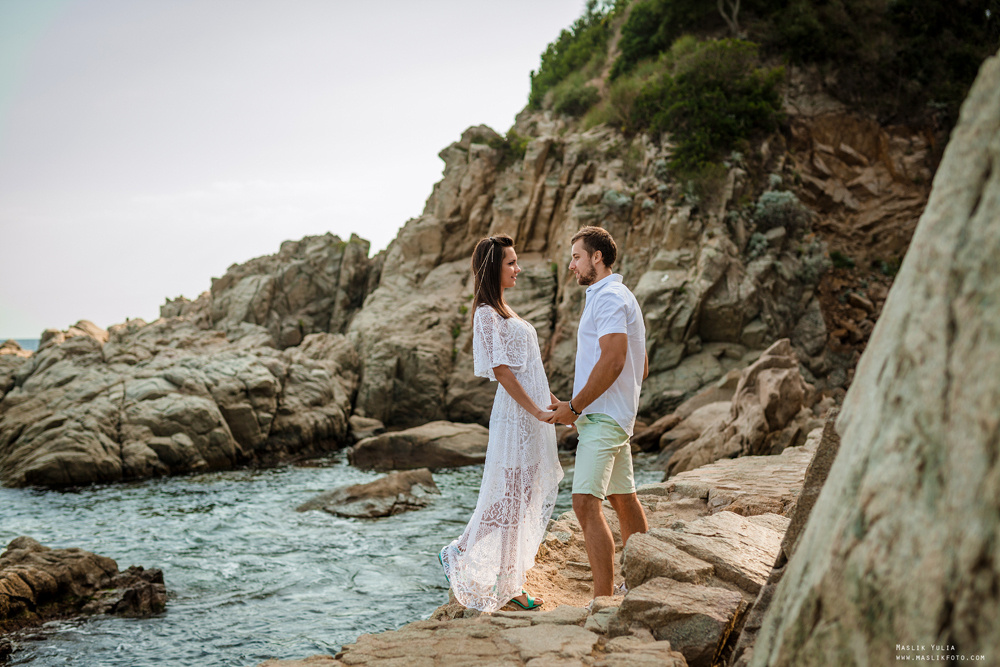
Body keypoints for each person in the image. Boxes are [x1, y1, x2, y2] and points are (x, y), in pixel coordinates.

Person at [439, 234, 564, 612]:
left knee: (522, 499)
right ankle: (465, 553)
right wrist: (536, 411)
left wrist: (554, 404)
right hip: (515, 417)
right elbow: (502, 371)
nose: (518, 268)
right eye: (511, 263)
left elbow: (531, 371)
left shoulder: (504, 309)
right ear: (494, 267)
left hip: (531, 413)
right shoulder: (485, 314)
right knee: (511, 498)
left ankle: (504, 576)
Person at [545, 225, 649, 601]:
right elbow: (641, 367)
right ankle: (641, 582)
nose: (572, 265)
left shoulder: (608, 297)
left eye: (576, 257)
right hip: (610, 415)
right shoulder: (617, 295)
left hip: (604, 418)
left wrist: (574, 407)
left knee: (585, 503)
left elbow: (616, 359)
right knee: (623, 498)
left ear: (597, 257)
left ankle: (602, 600)